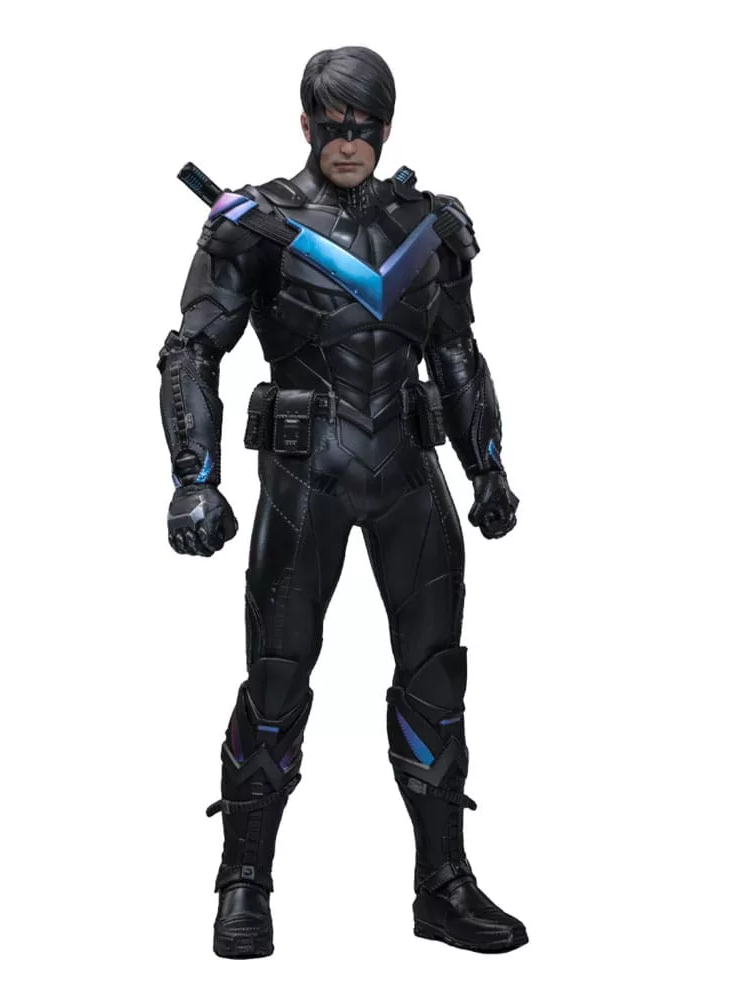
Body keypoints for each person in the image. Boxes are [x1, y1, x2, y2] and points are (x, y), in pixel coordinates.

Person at [158, 45, 527, 958]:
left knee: (436, 679)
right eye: (332, 125)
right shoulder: (256, 222)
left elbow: (457, 354)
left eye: (364, 126)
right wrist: (195, 477)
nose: (349, 141)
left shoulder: (429, 225)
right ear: (305, 122)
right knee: (277, 679)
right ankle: (243, 884)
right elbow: (192, 350)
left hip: (408, 472)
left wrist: (487, 466)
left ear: (388, 127)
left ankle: (444, 884)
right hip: (304, 477)